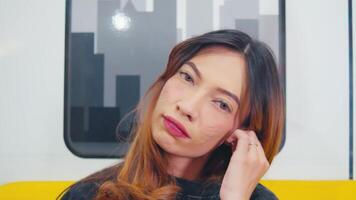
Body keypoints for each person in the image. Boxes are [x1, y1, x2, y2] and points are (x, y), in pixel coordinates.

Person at [60, 29, 285, 200]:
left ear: (242, 131)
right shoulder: (92, 193)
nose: (187, 107)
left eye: (221, 104)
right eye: (187, 77)